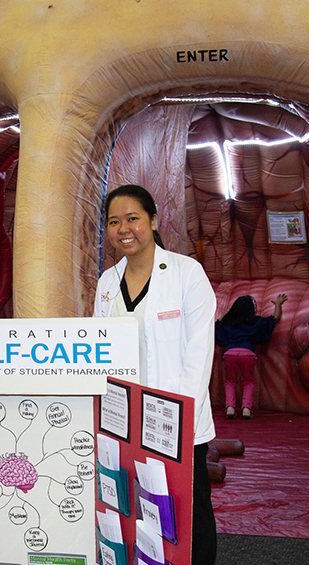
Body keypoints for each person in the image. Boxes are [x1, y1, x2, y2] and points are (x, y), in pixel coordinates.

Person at [92, 184, 217, 565]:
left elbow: (199, 353)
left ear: (153, 220)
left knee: (187, 513)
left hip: (175, 422)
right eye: (114, 222)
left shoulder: (185, 273)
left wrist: (178, 420)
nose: (123, 228)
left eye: (133, 218)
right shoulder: (106, 283)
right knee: (137, 511)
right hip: (123, 423)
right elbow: (101, 350)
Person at [215, 293, 287, 419]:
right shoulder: (255, 322)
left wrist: (222, 316)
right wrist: (278, 304)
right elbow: (275, 318)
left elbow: (216, 329)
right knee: (248, 381)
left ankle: (230, 408)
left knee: (230, 381)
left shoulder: (229, 322)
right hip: (247, 353)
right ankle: (246, 409)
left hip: (230, 353)